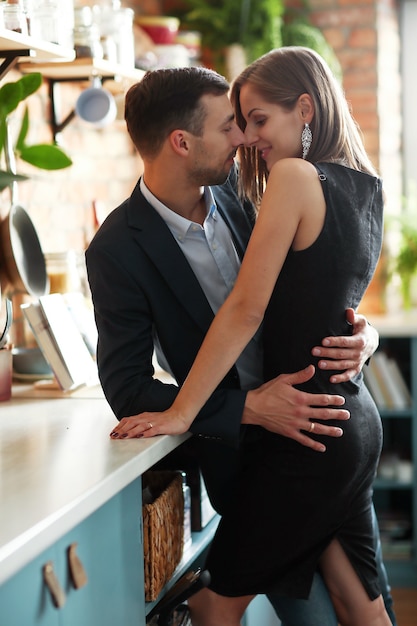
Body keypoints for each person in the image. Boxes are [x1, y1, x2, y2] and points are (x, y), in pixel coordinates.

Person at [86, 64, 395, 625]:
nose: (244, 139)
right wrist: (250, 408)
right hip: (259, 458)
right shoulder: (116, 250)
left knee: (353, 609)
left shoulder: (250, 188)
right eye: (231, 125)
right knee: (342, 614)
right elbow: (128, 389)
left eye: (250, 122)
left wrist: (363, 334)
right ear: (182, 142)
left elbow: (314, 275)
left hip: (321, 427)